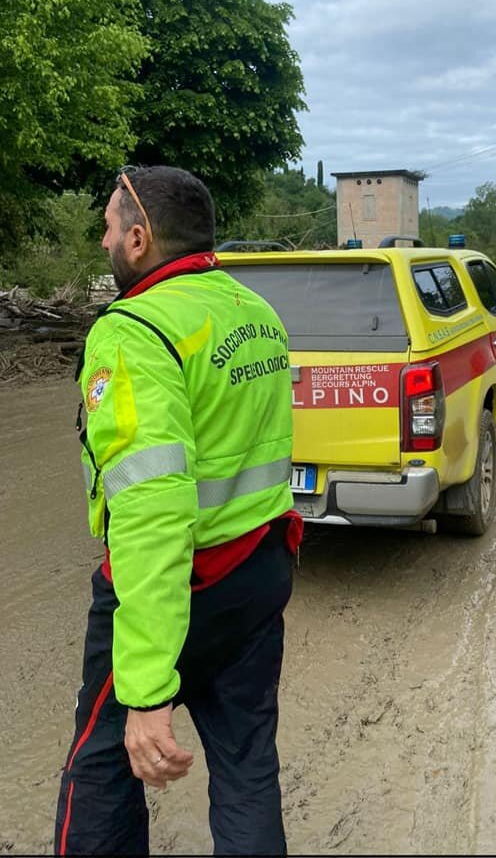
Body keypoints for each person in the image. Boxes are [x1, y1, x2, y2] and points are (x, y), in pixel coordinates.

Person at [55, 165, 302, 857]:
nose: (102, 239)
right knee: (247, 766)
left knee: (100, 769)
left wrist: (147, 690)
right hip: (259, 570)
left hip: (180, 587)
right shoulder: (255, 312)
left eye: (107, 227)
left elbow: (153, 512)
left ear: (138, 239)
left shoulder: (133, 330)